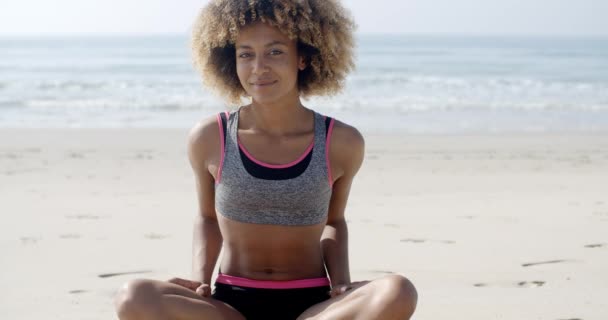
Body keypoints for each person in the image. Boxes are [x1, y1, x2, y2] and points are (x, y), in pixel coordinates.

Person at [114, 0, 417, 319]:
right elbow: (207, 218)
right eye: (246, 54)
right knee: (133, 296)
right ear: (231, 60)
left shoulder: (341, 141)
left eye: (274, 52)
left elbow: (333, 221)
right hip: (231, 306)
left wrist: (340, 283)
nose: (258, 68)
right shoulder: (209, 137)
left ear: (302, 57)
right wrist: (200, 280)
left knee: (398, 290)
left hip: (313, 308)